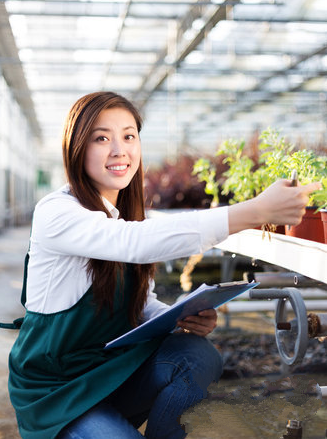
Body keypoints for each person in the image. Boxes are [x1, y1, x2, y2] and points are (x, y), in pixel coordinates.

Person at [7, 91, 321, 439]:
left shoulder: (129, 213)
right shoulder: (57, 212)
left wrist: (178, 317)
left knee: (197, 355)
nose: (119, 150)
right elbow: (134, 242)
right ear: (76, 147)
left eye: (129, 136)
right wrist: (253, 212)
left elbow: (139, 303)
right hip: (57, 392)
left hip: (111, 372)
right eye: (101, 138)